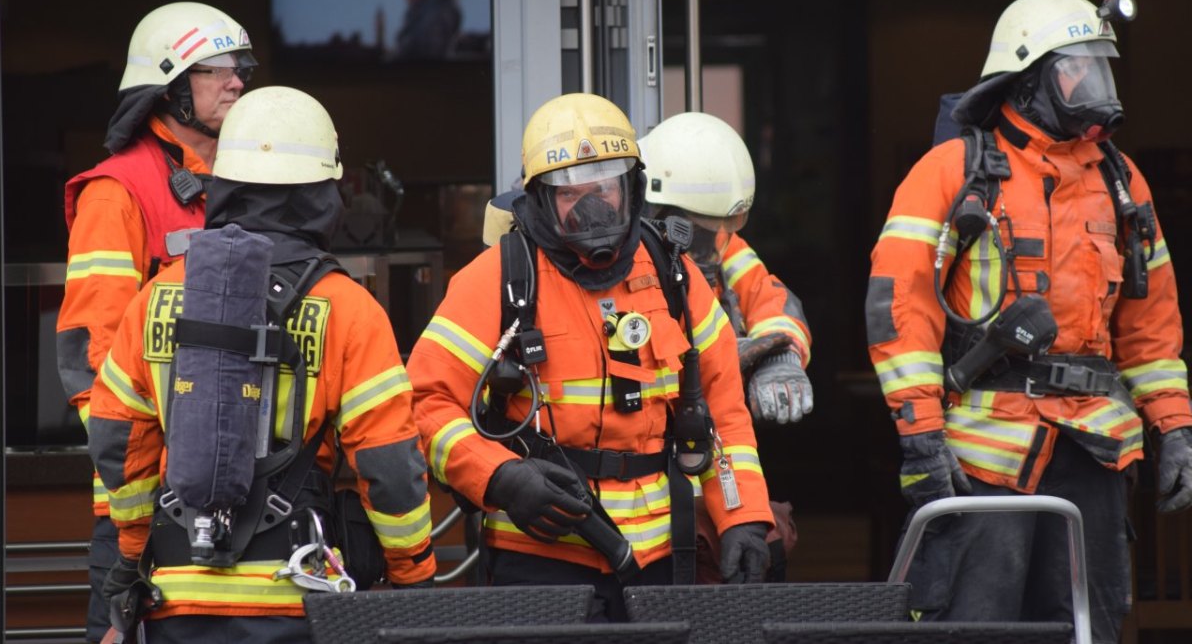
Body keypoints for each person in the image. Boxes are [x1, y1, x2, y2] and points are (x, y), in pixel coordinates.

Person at [866, 0, 1192, 642]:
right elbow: (899, 307)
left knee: (1089, 627)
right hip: (986, 457)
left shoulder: (1123, 183)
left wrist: (1176, 426)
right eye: (1077, 68)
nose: (1095, 83)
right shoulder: (953, 172)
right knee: (977, 627)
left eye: (1101, 66)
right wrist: (922, 437)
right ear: (1029, 77)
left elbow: (1150, 325)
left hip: (1095, 453)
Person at [87, 86, 436, 642]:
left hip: (175, 597)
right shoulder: (349, 310)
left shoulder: (157, 295)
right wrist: (413, 578)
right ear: (325, 192)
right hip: (300, 599)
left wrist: (132, 556)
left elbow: (114, 439)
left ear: (224, 183)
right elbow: (391, 468)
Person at [409, 92, 774, 621]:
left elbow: (723, 411)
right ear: (537, 199)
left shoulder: (675, 275)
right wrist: (502, 479)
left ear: (631, 187)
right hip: (539, 556)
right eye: (570, 192)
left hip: (662, 557)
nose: (593, 205)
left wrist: (742, 515)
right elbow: (426, 404)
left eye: (604, 185)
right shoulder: (498, 279)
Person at [56, 1, 257, 642]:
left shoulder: (253, 176)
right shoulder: (116, 192)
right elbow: (92, 355)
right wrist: (142, 473)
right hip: (145, 503)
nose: (237, 82)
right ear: (169, 86)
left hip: (252, 493)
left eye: (241, 68)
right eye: (218, 69)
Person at [638, 111, 814, 426]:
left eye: (728, 225)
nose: (717, 238)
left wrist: (781, 355)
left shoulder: (724, 245)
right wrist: (714, 359)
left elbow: (770, 297)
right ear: (657, 211)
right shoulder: (623, 259)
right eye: (702, 226)